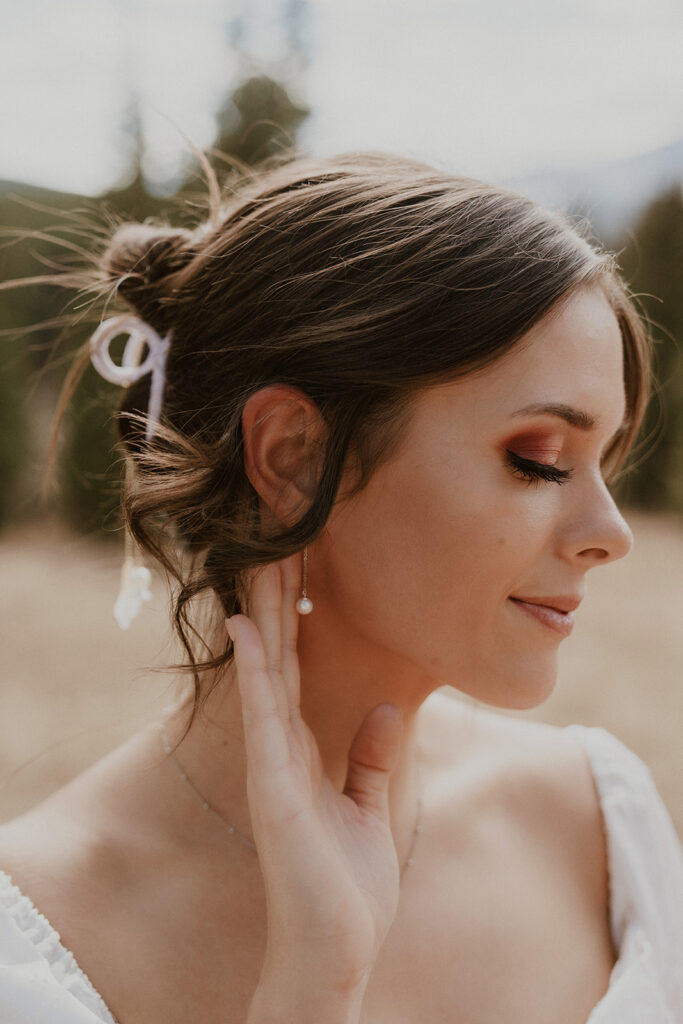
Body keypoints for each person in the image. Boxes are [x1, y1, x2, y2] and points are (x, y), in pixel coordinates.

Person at [0, 149, 681, 1024]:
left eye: (607, 462)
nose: (610, 535)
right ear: (290, 455)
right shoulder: (34, 949)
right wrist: (308, 996)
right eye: (539, 459)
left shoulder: (598, 823)